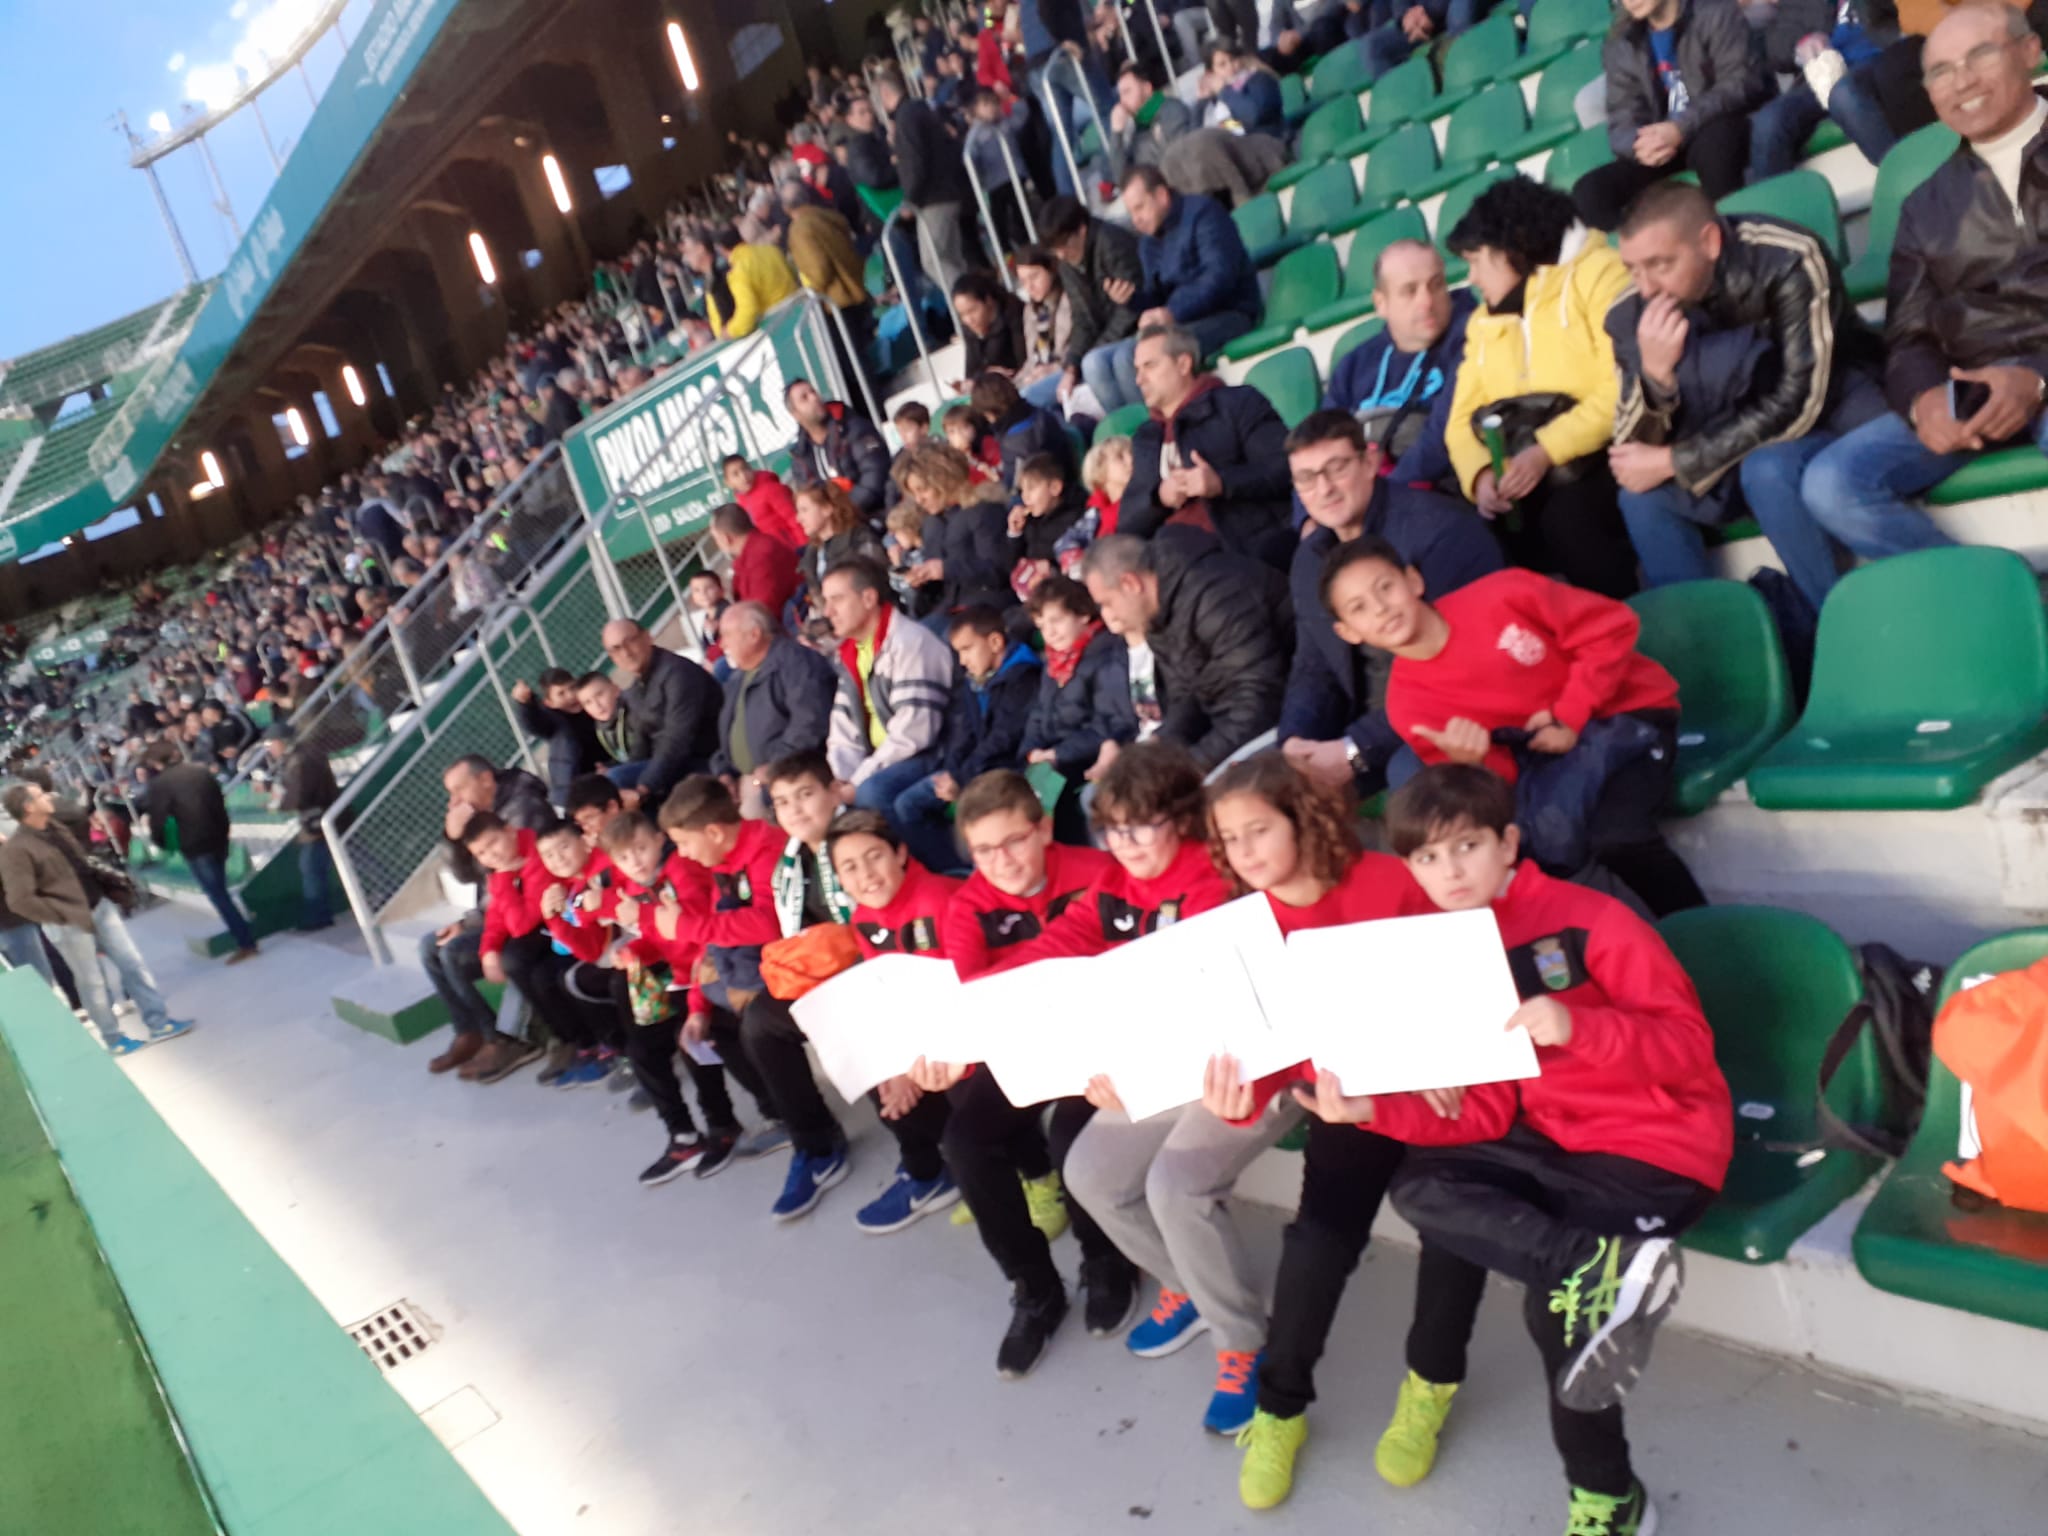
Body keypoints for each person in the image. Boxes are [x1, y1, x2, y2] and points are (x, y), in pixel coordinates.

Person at [1378, 763, 1733, 1536]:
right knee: (1421, 1188)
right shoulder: (1439, 950)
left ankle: (1609, 1496)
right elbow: (1482, 1110)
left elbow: (1688, 1050)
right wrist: (1371, 1106)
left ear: (1508, 843)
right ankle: (1584, 1264)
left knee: (1562, 1313)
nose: (1450, 871)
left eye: (1467, 846)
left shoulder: (1592, 919)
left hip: (1653, 1145)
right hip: (1541, 1141)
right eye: (1428, 857)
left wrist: (1581, 1028)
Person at [1193, 754, 1491, 1510]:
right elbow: (1260, 1064)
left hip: (1432, 1094)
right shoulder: (1242, 933)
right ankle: (1279, 1408)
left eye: (1259, 829)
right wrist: (1234, 1099)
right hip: (1342, 1103)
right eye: (1229, 839)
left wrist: (1443, 1056)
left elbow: (1463, 982)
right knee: (1317, 1244)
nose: (1245, 851)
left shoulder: (1391, 882)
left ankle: (1430, 1386)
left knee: (1453, 1236)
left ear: (1301, 817)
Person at [1018, 742, 1271, 1433]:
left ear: (1182, 820)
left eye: (1141, 827)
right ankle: (1191, 1288)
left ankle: (1242, 1341)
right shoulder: (1116, 883)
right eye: (1113, 830)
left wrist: (1121, 1063)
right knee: (1089, 1174)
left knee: (1173, 1187)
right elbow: (1056, 946)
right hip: (1161, 1063)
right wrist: (987, 997)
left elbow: (1205, 1013)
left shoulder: (1214, 884)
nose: (1125, 844)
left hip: (1244, 1069)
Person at [1796, 3, 2048, 600]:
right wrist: (1925, 400)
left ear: (2029, 52)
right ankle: (2003, 606)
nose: (1961, 81)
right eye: (1940, 71)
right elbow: (1909, 334)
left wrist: (2034, 378)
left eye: (1980, 55)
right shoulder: (1925, 202)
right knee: (1832, 482)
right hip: (1975, 389)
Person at [1322, 539, 1707, 916]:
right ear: (1349, 633)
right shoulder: (1408, 705)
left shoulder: (1504, 593)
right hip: (1549, 760)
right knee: (1537, 850)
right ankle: (1614, 945)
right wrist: (1472, 765)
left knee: (1616, 835)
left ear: (1414, 581)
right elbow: (1501, 789)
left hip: (1630, 715)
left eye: (1385, 587)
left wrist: (1569, 713)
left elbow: (1612, 626)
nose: (1381, 608)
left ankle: (1697, 929)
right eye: (1359, 608)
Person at [905, 770, 1136, 1377]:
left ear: (1044, 829)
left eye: (1013, 841)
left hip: (1100, 1039)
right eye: (983, 850)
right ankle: (1035, 1287)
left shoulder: (1097, 872)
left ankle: (1104, 1258)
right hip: (1024, 1043)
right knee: (964, 1140)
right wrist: (950, 1054)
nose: (1001, 861)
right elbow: (973, 999)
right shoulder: (968, 905)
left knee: (1070, 1136)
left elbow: (1124, 963)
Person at [1608, 180, 1888, 607]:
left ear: (1710, 242)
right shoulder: (1630, 310)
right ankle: (1706, 636)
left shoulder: (1787, 257)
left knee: (1768, 470)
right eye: (1632, 268)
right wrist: (1655, 377)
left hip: (1825, 418)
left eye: (1660, 264)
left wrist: (1676, 461)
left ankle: (1834, 616)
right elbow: (1631, 449)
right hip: (1720, 447)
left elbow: (1802, 400)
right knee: (1640, 498)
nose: (1646, 288)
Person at [1277, 411, 1502, 795]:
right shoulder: (1310, 560)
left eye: (1336, 469)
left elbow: (1461, 665)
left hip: (1453, 715)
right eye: (1307, 478)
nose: (1324, 489)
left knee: (1408, 774)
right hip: (1370, 727)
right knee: (1270, 788)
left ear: (1370, 462)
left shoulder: (1440, 531)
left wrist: (1355, 749)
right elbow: (1314, 668)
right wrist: (1295, 743)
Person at [1443, 176, 1640, 599]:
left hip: (1606, 452)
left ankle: (1625, 625)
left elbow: (1622, 387)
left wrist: (1545, 451)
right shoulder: (1483, 320)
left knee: (1570, 520)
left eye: (1476, 261)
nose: (1471, 277)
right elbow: (1459, 421)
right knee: (1468, 532)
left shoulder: (1601, 275)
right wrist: (1480, 476)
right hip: (1522, 465)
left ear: (1511, 249)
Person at [826, 809, 965, 1230]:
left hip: (969, 1032)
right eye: (850, 867)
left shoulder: (941, 900)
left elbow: (960, 996)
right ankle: (933, 1171)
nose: (866, 875)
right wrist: (896, 1064)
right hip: (929, 1033)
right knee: (874, 1068)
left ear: (900, 854)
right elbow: (891, 996)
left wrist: (911, 1060)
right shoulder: (864, 919)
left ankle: (1007, 1166)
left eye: (875, 857)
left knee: (923, 1078)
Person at [740, 749, 860, 1221]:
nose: (795, 810)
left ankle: (924, 1163)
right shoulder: (789, 863)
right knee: (759, 1021)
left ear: (834, 792)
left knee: (846, 1025)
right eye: (783, 802)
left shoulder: (861, 839)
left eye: (806, 794)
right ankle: (817, 1145)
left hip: (874, 969)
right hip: (828, 971)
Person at [0, 781, 191, 1054]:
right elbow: (20, 900)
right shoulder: (17, 849)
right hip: (69, 923)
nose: (48, 797)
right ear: (28, 807)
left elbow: (80, 849)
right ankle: (113, 1039)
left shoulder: (55, 827)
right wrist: (60, 915)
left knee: (132, 964)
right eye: (41, 796)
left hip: (99, 906)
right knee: (93, 983)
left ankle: (159, 1022)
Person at [1082, 532, 1288, 772]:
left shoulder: (1214, 593)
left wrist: (1191, 768)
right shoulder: (1156, 615)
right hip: (1234, 728)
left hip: (1282, 725)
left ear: (1131, 584)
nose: (1108, 616)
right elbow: (1185, 696)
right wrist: (1158, 746)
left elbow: (1259, 701)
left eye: (1107, 603)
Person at [1573, 0, 1775, 230]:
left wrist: (1680, 127)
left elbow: (1739, 85)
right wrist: (1639, 144)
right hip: (1665, 144)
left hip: (1717, 126)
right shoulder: (1622, 42)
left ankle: (1730, 237)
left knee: (1715, 145)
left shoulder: (1715, 12)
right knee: (1590, 191)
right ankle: (1645, 251)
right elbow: (1622, 116)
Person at [1116, 325, 1296, 568]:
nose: (1139, 380)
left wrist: (1220, 483)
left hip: (1239, 556)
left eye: (1150, 366)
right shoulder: (1146, 438)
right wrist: (1159, 498)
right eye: (1137, 370)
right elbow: (1127, 524)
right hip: (1172, 565)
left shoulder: (1237, 403)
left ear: (1183, 364)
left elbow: (1285, 467)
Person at [1093, 168, 1262, 413]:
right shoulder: (1148, 242)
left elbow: (1220, 277)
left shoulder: (1204, 213)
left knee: (1128, 356)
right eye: (1131, 213)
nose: (1136, 219)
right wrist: (1132, 299)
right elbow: (1157, 297)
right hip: (1181, 322)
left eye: (1140, 208)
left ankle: (1163, 423)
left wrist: (1172, 312)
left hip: (1229, 313)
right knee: (1096, 362)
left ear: (1162, 196)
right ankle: (1141, 429)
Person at [425, 754, 552, 1080]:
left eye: (458, 790)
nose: (453, 801)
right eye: (450, 794)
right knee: (429, 948)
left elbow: (506, 876)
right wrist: (453, 839)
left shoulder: (523, 807)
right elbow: (468, 876)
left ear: (485, 780)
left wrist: (473, 924)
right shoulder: (480, 815)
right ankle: (469, 1032)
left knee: (453, 953)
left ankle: (504, 1039)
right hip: (498, 910)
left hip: (529, 914)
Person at [892, 606, 1043, 875]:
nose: (962, 661)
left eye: (967, 649)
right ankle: (955, 872)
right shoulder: (973, 680)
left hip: (1004, 772)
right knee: (906, 805)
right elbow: (962, 733)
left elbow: (1003, 740)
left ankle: (975, 873)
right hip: (971, 770)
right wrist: (952, 772)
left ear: (995, 642)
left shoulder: (1023, 678)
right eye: (958, 652)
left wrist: (961, 779)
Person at [1319, 239, 1475, 492]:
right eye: (1410, 291)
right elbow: (1321, 447)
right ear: (1381, 303)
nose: (1427, 301)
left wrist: (1383, 498)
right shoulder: (1354, 366)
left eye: (1436, 285)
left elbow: (1441, 439)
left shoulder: (1474, 338)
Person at [821, 557, 956, 816]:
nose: (828, 612)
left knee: (871, 793)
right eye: (826, 602)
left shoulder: (910, 643)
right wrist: (840, 780)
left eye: (836, 600)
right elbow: (843, 734)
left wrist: (857, 782)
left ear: (868, 598)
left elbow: (914, 734)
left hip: (930, 753)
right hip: (882, 761)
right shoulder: (850, 654)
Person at [710, 602, 838, 818]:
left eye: (727, 635)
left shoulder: (797, 663)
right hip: (744, 779)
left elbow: (810, 724)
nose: (722, 644)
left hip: (787, 776)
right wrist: (724, 772)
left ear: (754, 635)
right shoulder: (738, 678)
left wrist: (773, 766)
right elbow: (727, 736)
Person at [134, 741, 259, 962]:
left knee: (218, 895)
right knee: (222, 892)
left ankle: (246, 942)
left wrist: (161, 843)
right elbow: (220, 804)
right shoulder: (200, 772)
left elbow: (159, 819)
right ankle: (245, 934)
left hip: (194, 844)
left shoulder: (160, 785)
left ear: (155, 762)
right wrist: (224, 833)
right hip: (217, 837)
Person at [1040, 196, 1144, 420]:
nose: (1061, 254)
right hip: (1108, 340)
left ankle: (1140, 425)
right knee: (1040, 394)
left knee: (1097, 363)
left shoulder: (1112, 243)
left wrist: (1094, 350)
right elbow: (1082, 320)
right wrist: (1071, 365)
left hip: (1137, 328)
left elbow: (1130, 308)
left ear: (1082, 229)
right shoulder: (1067, 264)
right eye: (1055, 249)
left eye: (1065, 244)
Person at [600, 619, 722, 808]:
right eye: (616, 649)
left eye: (630, 641)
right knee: (610, 785)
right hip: (671, 764)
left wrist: (644, 787)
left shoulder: (678, 673)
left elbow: (677, 738)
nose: (626, 653)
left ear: (647, 637)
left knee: (620, 779)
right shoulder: (636, 689)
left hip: (705, 760)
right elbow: (641, 743)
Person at [874, 66, 974, 292]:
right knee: (952, 258)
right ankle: (971, 297)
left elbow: (915, 163)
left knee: (934, 261)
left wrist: (910, 200)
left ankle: (968, 300)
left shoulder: (905, 119)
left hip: (933, 198)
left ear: (885, 94)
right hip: (949, 190)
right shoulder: (920, 109)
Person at [894, 442, 1017, 619]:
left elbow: (998, 572)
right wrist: (921, 579)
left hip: (986, 608)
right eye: (914, 494)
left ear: (944, 480)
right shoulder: (932, 523)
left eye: (923, 490)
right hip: (948, 607)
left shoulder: (984, 510)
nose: (919, 500)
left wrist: (946, 569)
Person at [778, 176, 875, 391]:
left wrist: (811, 291)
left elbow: (819, 270)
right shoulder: (829, 217)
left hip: (833, 303)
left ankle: (872, 404)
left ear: (785, 208)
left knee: (850, 365)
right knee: (861, 357)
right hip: (855, 292)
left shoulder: (800, 230)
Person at [267, 722, 338, 932]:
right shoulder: (299, 757)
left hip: (320, 821)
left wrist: (279, 804)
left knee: (311, 868)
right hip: (323, 819)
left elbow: (299, 795)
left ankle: (318, 916)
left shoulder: (301, 760)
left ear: (282, 742)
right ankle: (320, 914)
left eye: (271, 744)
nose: (269, 749)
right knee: (347, 858)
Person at [786, 378, 893, 517]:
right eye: (804, 398)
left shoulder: (853, 428)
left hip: (877, 513)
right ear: (795, 414)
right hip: (838, 522)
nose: (814, 398)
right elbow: (808, 497)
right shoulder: (800, 455)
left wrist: (842, 513)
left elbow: (876, 478)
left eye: (813, 392)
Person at [971, 371, 1078, 493]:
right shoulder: (1043, 414)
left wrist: (996, 479)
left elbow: (1013, 490)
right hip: (1066, 483)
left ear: (989, 413)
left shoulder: (1012, 444)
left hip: (1049, 495)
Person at [513, 667, 605, 806]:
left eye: (572, 688)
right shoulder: (555, 723)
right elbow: (534, 723)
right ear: (549, 703)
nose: (570, 696)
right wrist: (526, 704)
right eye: (561, 693)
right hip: (575, 788)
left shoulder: (596, 708)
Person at [694, 225, 799, 340]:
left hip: (779, 325)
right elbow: (794, 274)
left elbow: (748, 310)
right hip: (800, 308)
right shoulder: (770, 250)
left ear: (721, 249)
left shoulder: (738, 270)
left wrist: (729, 331)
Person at [1006, 451, 1091, 593]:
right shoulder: (1030, 521)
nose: (1025, 497)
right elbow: (1012, 567)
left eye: (1031, 489)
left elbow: (1081, 562)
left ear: (1055, 488)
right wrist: (1015, 534)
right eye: (1022, 490)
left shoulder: (1076, 518)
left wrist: (1052, 568)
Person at [708, 503, 802, 620]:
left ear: (726, 538)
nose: (717, 544)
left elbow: (762, 614)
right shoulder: (753, 552)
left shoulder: (759, 557)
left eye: (716, 538)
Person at [1355, 0, 1483, 81]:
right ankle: (1406, 103)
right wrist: (1405, 15)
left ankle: (1468, 76)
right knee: (1371, 46)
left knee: (1459, 12)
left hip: (1452, 7)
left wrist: (1428, 12)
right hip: (1421, 20)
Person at [1012, 248, 1074, 412]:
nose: (1030, 287)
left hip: (1067, 369)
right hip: (1040, 373)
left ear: (1051, 270)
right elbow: (1032, 358)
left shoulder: (1069, 298)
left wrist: (1053, 368)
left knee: (1027, 398)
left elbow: (1076, 346)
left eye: (1034, 277)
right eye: (1023, 281)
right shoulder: (1030, 310)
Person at [573, 671, 650, 788]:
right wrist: (607, 767)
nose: (597, 705)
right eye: (588, 703)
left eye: (599, 695)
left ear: (615, 690)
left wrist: (613, 771)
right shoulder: (601, 726)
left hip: (657, 763)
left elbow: (641, 752)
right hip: (636, 766)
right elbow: (623, 755)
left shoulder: (634, 712)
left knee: (614, 777)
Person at [953, 270, 1029, 385]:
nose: (968, 320)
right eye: (962, 314)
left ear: (988, 301)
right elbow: (970, 373)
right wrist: (986, 374)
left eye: (972, 310)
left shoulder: (1013, 313)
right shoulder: (969, 329)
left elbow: (1023, 361)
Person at [720, 454, 805, 549]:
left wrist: (805, 546)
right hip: (774, 552)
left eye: (745, 469)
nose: (743, 476)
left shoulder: (770, 489)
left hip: (794, 548)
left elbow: (794, 518)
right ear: (728, 482)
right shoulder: (741, 503)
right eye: (736, 474)